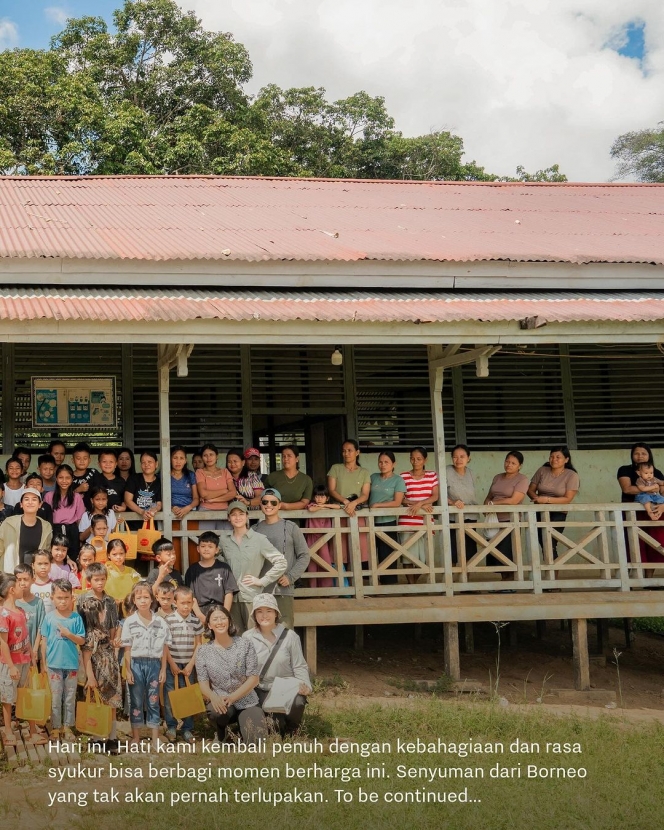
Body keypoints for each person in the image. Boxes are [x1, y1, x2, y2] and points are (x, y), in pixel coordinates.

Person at [243, 593, 311, 737]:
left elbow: (299, 666)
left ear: (276, 613)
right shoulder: (247, 637)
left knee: (298, 702)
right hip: (260, 689)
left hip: (285, 687)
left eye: (269, 611)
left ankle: (293, 729)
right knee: (272, 726)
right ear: (254, 615)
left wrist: (306, 686)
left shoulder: (290, 636)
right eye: (259, 611)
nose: (264, 615)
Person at [195, 604, 265, 743]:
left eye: (223, 618)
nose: (220, 622)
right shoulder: (203, 651)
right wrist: (213, 697)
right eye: (215, 619)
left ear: (229, 621)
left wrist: (233, 697)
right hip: (222, 701)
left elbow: (254, 678)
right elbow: (203, 683)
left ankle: (240, 730)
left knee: (256, 741)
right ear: (209, 624)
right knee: (216, 713)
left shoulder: (245, 644)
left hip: (246, 699)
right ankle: (222, 730)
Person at [219, 501, 288, 634]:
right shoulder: (224, 540)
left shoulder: (259, 539)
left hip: (251, 596)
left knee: (255, 637)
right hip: (230, 598)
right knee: (235, 637)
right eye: (233, 515)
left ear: (247, 516)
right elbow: (217, 562)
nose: (237, 518)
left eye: (241, 514)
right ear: (228, 518)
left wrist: (262, 581)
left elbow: (281, 562)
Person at [121, 581, 170, 751]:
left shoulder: (161, 622)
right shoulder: (129, 622)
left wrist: (163, 669)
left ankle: (155, 738)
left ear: (152, 599)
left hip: (154, 665)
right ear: (134, 600)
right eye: (139, 597)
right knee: (136, 701)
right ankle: (136, 737)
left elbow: (165, 647)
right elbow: (127, 648)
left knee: (153, 700)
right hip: (135, 664)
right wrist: (128, 670)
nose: (143, 601)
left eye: (146, 597)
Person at [0, 574, 47, 746]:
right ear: (12, 590)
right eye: (19, 584)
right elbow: (3, 643)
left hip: (25, 661)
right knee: (7, 699)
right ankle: (7, 731)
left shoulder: (20, 611)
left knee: (26, 695)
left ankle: (32, 730)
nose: (23, 586)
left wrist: (32, 658)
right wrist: (11, 667)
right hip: (9, 664)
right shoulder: (3, 613)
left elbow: (25, 637)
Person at [254, 488, 310, 628]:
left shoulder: (291, 527)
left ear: (279, 505)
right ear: (260, 504)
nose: (269, 505)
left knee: (285, 632)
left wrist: (291, 577)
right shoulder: (254, 530)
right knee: (262, 632)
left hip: (283, 589)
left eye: (273, 502)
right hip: (261, 590)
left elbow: (304, 555)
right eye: (265, 502)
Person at [40, 579, 86, 742]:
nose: (63, 601)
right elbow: (43, 641)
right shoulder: (49, 618)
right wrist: (43, 663)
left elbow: (81, 641)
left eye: (66, 597)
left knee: (69, 697)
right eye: (59, 597)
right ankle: (55, 727)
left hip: (71, 665)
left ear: (71, 597)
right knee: (55, 697)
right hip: (53, 665)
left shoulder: (76, 618)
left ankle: (67, 726)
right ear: (52, 597)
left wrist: (68, 634)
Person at [78, 595, 122, 750]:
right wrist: (90, 677)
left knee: (112, 705)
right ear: (96, 615)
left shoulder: (102, 631)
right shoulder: (90, 635)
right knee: (98, 706)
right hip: (98, 675)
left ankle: (112, 738)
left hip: (111, 673)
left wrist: (113, 643)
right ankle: (97, 738)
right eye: (102, 611)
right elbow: (86, 657)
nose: (104, 613)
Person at [163, 586, 204, 743]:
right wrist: (172, 664)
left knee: (189, 696)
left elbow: (199, 644)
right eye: (182, 603)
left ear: (193, 603)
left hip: (188, 665)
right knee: (170, 696)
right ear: (175, 602)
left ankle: (187, 728)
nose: (186, 606)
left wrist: (191, 664)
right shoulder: (169, 621)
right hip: (171, 664)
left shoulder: (195, 621)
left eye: (189, 603)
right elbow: (165, 645)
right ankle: (172, 726)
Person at [483, 451, 529, 578]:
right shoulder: (497, 477)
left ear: (520, 466)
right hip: (493, 520)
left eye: (513, 463)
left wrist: (494, 503)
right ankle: (504, 582)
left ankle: (510, 583)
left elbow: (514, 500)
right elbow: (489, 497)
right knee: (494, 552)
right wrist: (487, 506)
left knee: (507, 552)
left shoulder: (522, 479)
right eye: (507, 461)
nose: (509, 465)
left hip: (510, 520)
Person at [528, 446, 580, 557]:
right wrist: (536, 499)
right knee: (543, 542)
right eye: (551, 456)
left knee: (550, 542)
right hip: (540, 510)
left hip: (558, 513)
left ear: (566, 459)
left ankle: (552, 572)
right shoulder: (542, 470)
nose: (553, 459)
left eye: (558, 457)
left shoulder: (572, 475)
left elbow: (568, 499)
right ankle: (550, 571)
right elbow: (530, 490)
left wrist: (546, 500)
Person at [617, 442, 664, 565]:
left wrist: (663, 505)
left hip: (656, 512)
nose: (640, 456)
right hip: (631, 513)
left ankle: (649, 580)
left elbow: (663, 491)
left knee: (656, 544)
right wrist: (651, 488)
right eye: (636, 453)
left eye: (644, 453)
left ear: (649, 455)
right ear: (632, 455)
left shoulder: (656, 472)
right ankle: (634, 580)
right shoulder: (625, 470)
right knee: (635, 545)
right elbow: (627, 489)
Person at [327, 439, 371, 568]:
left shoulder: (364, 472)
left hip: (356, 512)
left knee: (358, 549)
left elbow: (365, 494)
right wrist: (346, 502)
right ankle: (343, 583)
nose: (346, 453)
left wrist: (354, 503)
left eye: (349, 450)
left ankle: (356, 583)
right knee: (339, 550)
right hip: (339, 512)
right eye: (344, 451)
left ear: (357, 452)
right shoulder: (336, 468)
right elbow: (331, 490)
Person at [398, 447, 440, 583]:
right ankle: (411, 584)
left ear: (425, 460)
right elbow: (401, 499)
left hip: (426, 520)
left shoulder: (432, 475)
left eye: (419, 459)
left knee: (426, 557)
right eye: (412, 458)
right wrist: (416, 504)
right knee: (407, 555)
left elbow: (435, 496)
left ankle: (414, 582)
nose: (415, 461)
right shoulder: (403, 476)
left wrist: (420, 504)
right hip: (407, 520)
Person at [369, 452, 407, 585]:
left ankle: (388, 585)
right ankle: (372, 584)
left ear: (393, 464)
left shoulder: (398, 480)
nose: (383, 465)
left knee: (388, 555)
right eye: (380, 462)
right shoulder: (373, 477)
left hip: (388, 522)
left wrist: (378, 505)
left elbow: (397, 502)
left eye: (386, 462)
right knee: (370, 555)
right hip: (370, 522)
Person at [184, 531, 238, 623]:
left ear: (216, 549)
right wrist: (200, 615)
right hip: (199, 611)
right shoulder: (192, 570)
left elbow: (229, 593)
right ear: (198, 549)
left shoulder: (223, 568)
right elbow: (191, 595)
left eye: (210, 546)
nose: (206, 549)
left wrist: (225, 613)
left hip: (220, 610)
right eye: (203, 546)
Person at [0, 488, 53, 571]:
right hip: (10, 574)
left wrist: (66, 559)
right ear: (21, 504)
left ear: (40, 504)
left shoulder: (46, 526)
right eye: (26, 499)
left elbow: (48, 551)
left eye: (34, 499)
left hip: (35, 575)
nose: (30, 502)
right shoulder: (8, 523)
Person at [446, 444, 478, 567]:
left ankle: (466, 580)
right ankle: (453, 580)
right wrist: (452, 502)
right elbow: (439, 493)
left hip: (470, 515)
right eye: (455, 457)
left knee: (469, 549)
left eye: (462, 456)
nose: (458, 460)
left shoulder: (471, 473)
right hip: (452, 516)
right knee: (452, 549)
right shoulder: (447, 471)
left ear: (468, 458)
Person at [304, 485, 342, 589]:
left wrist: (323, 507)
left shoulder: (328, 506)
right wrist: (322, 507)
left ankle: (327, 588)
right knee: (312, 562)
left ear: (327, 498)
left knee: (325, 562)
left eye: (322, 497)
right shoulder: (312, 505)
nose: (319, 499)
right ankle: (313, 588)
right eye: (317, 496)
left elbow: (339, 507)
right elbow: (311, 509)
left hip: (325, 538)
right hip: (312, 537)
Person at [45, 465, 85, 556]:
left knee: (73, 556)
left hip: (72, 531)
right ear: (56, 478)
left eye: (67, 478)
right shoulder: (49, 496)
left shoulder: (77, 497)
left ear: (72, 479)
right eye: (60, 477)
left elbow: (79, 519)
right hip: (55, 531)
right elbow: (46, 518)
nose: (64, 481)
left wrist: (80, 538)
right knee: (57, 557)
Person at [195, 443, 236, 531]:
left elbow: (233, 493)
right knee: (207, 542)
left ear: (217, 456)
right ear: (202, 458)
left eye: (211, 455)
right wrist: (224, 491)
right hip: (205, 511)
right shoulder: (200, 472)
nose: (208, 458)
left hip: (225, 511)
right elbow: (203, 493)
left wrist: (213, 500)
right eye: (205, 455)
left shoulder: (225, 472)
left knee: (225, 542)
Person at [14, 563, 45, 671]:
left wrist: (35, 650)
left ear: (33, 579)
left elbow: (41, 628)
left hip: (33, 654)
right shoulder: (13, 602)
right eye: (19, 579)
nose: (22, 583)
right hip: (15, 654)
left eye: (26, 579)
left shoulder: (38, 602)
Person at [265, 445, 313, 511]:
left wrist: (285, 506)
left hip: (297, 518)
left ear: (297, 459)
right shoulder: (272, 477)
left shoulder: (306, 480)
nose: (285, 459)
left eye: (289, 456)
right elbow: (264, 499)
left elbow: (304, 503)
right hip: (274, 517)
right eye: (284, 456)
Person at [124, 451, 162, 521]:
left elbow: (159, 503)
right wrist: (142, 512)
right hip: (133, 522)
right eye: (143, 462)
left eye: (149, 462)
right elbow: (128, 501)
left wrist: (154, 510)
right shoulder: (133, 478)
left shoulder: (159, 482)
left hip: (152, 522)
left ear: (156, 464)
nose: (146, 465)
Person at [104, 539, 141, 606]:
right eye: (114, 554)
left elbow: (140, 586)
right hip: (111, 606)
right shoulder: (105, 571)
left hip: (129, 606)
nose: (118, 557)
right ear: (109, 555)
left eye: (121, 553)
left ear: (125, 554)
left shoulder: (131, 571)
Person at [169, 446, 199, 520]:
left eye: (181, 458)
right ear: (170, 459)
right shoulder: (163, 476)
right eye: (175, 458)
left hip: (189, 513)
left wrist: (188, 508)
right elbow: (159, 499)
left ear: (185, 460)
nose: (178, 461)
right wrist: (171, 507)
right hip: (170, 514)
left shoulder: (191, 475)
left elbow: (196, 499)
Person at [30, 550, 55, 615]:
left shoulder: (55, 586)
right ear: (33, 566)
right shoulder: (29, 586)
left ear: (50, 565)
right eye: (39, 564)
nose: (43, 567)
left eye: (46, 563)